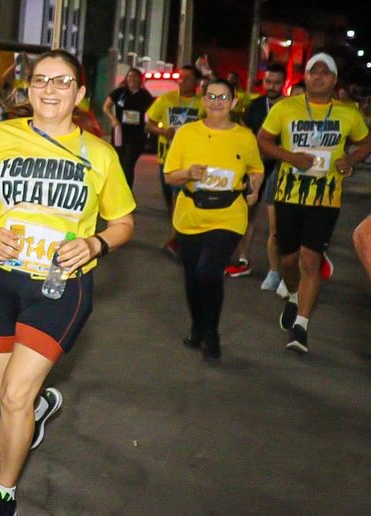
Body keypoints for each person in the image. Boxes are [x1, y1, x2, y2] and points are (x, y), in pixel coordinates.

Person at [0, 50, 135, 515]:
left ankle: (4, 491)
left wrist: (96, 245)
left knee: (15, 395)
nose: (49, 90)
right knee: (0, 394)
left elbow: (124, 222)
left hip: (60, 287)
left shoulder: (99, 154)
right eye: (40, 81)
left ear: (79, 93)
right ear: (27, 88)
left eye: (61, 82)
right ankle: (35, 409)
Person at [257, 53, 371, 353]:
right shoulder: (286, 108)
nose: (318, 76)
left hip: (326, 198)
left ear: (334, 80)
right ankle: (294, 296)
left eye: (325, 72)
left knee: (311, 259)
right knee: (288, 261)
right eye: (313, 71)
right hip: (288, 195)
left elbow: (366, 141)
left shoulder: (348, 113)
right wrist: (290, 157)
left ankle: (301, 329)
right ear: (305, 77)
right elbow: (263, 140)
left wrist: (349, 161)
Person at [163, 78, 263, 361]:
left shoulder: (245, 136)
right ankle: (198, 325)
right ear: (203, 100)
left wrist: (254, 188)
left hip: (229, 214)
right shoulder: (186, 133)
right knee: (193, 278)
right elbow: (170, 175)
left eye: (223, 97)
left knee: (209, 272)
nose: (217, 102)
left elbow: (255, 168)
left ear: (233, 102)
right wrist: (189, 174)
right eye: (211, 96)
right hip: (191, 213)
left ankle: (211, 333)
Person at [225, 63, 285, 280]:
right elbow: (248, 134)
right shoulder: (256, 105)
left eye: (277, 82)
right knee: (247, 212)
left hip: (281, 167)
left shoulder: (289, 107)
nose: (272, 86)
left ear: (283, 83)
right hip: (255, 166)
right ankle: (243, 258)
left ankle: (278, 268)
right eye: (268, 81)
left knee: (276, 223)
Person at [145, 64, 203, 258]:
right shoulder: (166, 99)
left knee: (182, 198)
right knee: (170, 199)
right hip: (166, 157)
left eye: (187, 78)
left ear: (196, 82)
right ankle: (176, 235)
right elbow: (149, 124)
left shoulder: (202, 103)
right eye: (181, 77)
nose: (182, 81)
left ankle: (179, 239)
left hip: (190, 160)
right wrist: (163, 131)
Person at [102, 67, 154, 188]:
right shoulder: (120, 92)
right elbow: (106, 107)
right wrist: (113, 119)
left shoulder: (145, 95)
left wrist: (149, 124)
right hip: (120, 132)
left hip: (137, 134)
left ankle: (126, 192)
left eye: (135, 77)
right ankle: (116, 190)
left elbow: (152, 112)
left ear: (140, 79)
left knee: (128, 164)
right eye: (130, 76)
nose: (132, 79)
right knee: (118, 161)